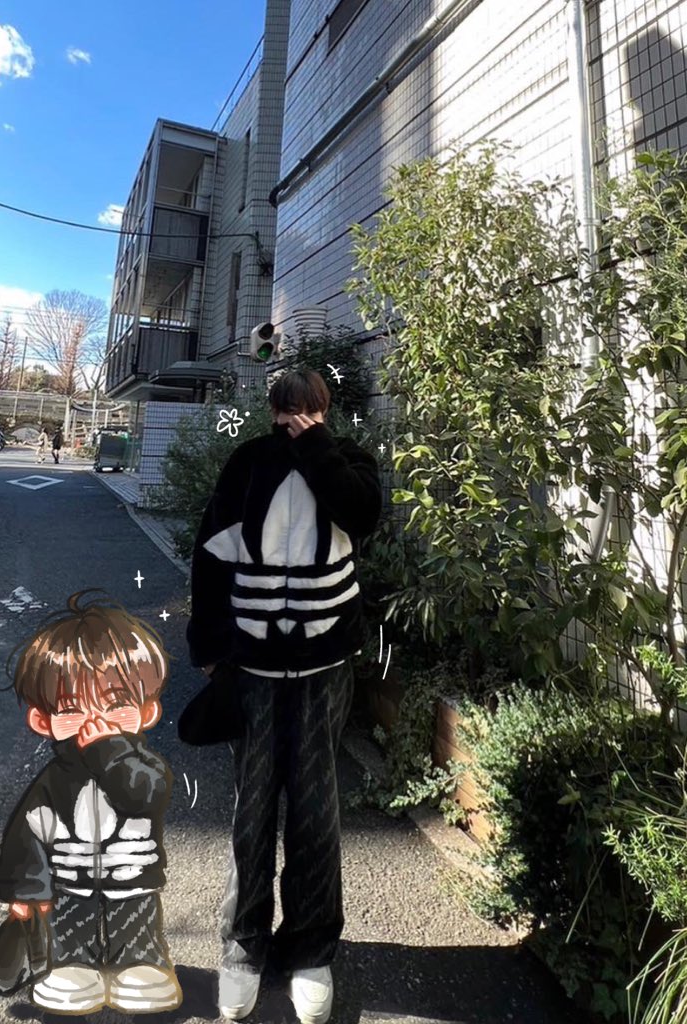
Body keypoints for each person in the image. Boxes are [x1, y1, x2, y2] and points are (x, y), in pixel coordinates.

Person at [187, 369, 382, 1024]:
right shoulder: (248, 462)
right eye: (288, 410)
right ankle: (243, 946)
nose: (296, 419)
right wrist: (210, 648)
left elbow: (363, 516)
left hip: (326, 667)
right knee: (251, 812)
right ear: (272, 410)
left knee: (316, 812)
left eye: (308, 410)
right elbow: (211, 555)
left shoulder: (348, 461)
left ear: (324, 410)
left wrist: (318, 447)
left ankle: (311, 950)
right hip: (254, 668)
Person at [0, 593, 182, 1014]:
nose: (97, 720)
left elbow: (144, 794)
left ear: (148, 711)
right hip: (68, 885)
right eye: (73, 707)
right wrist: (25, 891)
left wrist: (108, 750)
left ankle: (140, 964)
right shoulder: (52, 782)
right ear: (44, 720)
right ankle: (72, 967)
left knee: (137, 925)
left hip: (133, 880)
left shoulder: (147, 767)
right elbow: (27, 835)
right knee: (68, 928)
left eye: (116, 703)